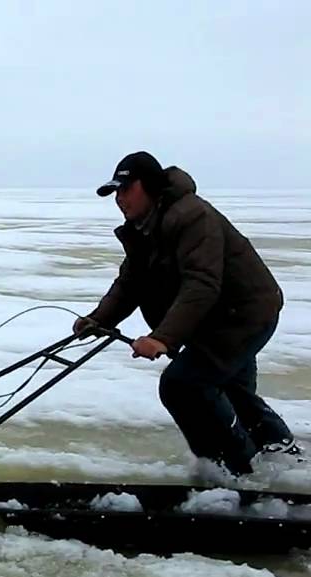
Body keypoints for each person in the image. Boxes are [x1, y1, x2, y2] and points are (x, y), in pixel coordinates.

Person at [75, 150, 300, 476]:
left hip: (244, 315)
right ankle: (284, 462)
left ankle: (236, 470)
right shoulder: (143, 227)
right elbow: (130, 283)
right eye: (115, 193)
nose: (119, 199)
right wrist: (98, 319)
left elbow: (202, 283)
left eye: (125, 189)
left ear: (148, 185)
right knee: (232, 393)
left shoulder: (192, 216)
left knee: (183, 385)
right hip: (214, 319)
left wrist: (162, 338)